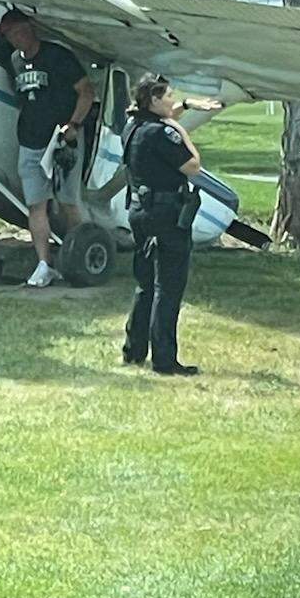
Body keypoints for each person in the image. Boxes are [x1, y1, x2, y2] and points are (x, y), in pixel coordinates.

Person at [121, 75, 217, 377]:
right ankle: (164, 359)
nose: (172, 102)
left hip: (140, 210)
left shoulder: (133, 126)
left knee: (145, 283)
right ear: (154, 100)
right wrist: (180, 129)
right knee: (169, 285)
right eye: (168, 97)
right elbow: (193, 165)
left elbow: (162, 118)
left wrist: (186, 105)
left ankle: (134, 350)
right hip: (166, 215)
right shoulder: (164, 133)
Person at [0, 8, 95, 287]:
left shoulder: (57, 56)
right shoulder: (15, 61)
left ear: (31, 28)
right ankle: (43, 263)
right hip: (31, 140)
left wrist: (74, 123)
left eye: (21, 31)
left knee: (68, 201)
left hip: (62, 140)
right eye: (11, 34)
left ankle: (77, 256)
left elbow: (86, 90)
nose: (18, 38)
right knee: (36, 204)